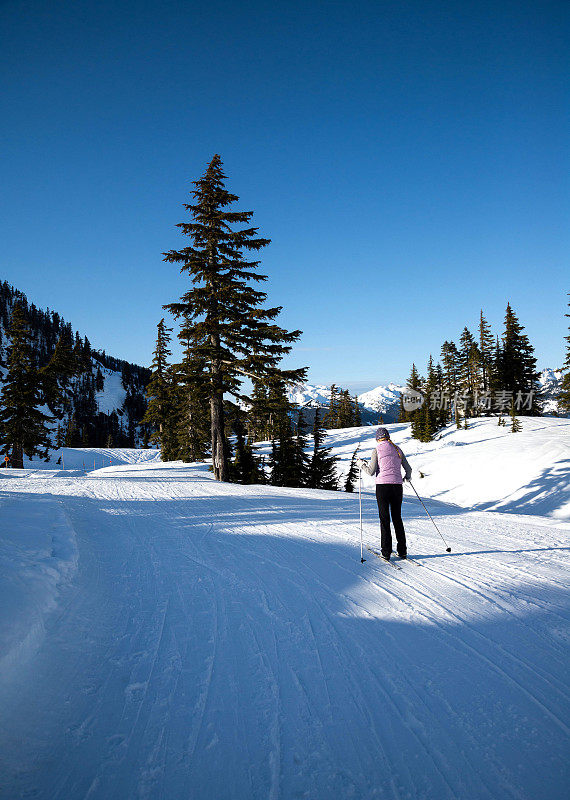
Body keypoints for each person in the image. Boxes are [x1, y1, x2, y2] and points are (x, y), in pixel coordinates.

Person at [357, 427, 412, 561]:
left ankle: (386, 552)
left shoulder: (376, 450)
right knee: (397, 518)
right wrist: (407, 477)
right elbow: (408, 468)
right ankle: (402, 551)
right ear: (388, 437)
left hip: (382, 487)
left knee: (384, 519)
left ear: (377, 439)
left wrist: (360, 464)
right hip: (397, 487)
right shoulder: (397, 449)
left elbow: (370, 471)